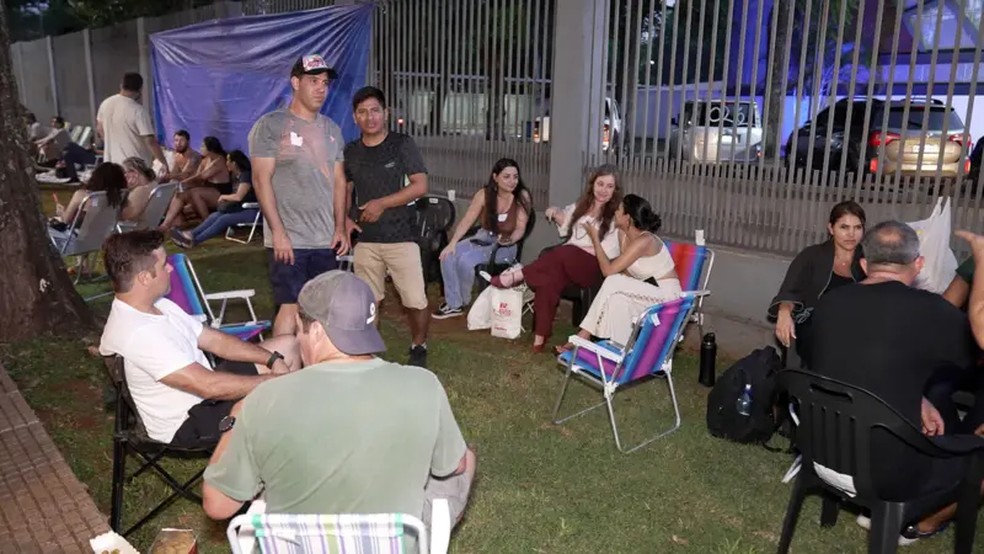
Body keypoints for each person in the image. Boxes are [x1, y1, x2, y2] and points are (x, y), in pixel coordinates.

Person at [202, 270, 476, 535]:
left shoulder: (264, 400)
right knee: (465, 458)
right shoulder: (423, 385)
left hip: (298, 543)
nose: (298, 339)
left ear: (317, 331)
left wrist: (235, 417)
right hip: (393, 543)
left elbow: (217, 506)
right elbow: (454, 467)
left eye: (300, 331)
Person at [809, 221, 980, 543]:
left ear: (863, 265)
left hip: (821, 453)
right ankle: (913, 519)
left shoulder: (829, 304)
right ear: (918, 265)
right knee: (976, 450)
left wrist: (918, 399)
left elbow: (848, 365)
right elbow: (972, 357)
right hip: (886, 476)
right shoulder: (934, 313)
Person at [98, 230, 300, 448]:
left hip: (205, 394)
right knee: (290, 398)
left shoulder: (158, 306)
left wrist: (272, 360)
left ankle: (292, 428)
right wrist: (274, 383)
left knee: (287, 345)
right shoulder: (137, 333)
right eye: (164, 264)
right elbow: (207, 386)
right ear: (145, 278)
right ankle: (295, 447)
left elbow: (215, 341)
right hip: (189, 420)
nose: (170, 268)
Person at [250, 54, 349, 336]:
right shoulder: (271, 125)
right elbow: (260, 179)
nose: (321, 88)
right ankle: (280, 372)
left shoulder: (332, 130)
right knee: (290, 306)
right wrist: (278, 232)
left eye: (325, 83)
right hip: (289, 239)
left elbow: (339, 181)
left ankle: (313, 372)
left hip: (325, 239)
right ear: (295, 82)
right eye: (313, 81)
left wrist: (340, 227)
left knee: (320, 310)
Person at [487, 164, 622, 352]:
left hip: (593, 267)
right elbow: (567, 225)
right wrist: (557, 213)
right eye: (600, 184)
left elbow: (610, 253)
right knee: (548, 281)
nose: (603, 190)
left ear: (615, 190)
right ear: (592, 184)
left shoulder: (616, 216)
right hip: (567, 261)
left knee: (564, 252)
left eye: (609, 186)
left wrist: (591, 241)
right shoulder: (581, 206)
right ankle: (539, 339)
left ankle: (517, 275)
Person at [344, 86, 431, 366]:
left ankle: (419, 345)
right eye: (362, 112)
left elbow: (420, 186)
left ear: (386, 113)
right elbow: (346, 188)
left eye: (375, 111)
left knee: (415, 301)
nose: (370, 117)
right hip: (366, 239)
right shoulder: (351, 151)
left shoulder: (402, 144)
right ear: (355, 117)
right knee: (370, 302)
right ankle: (369, 352)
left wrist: (381, 203)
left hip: (401, 236)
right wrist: (345, 218)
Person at [555, 194, 680, 353]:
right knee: (617, 300)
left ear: (627, 217)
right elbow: (626, 272)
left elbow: (608, 271)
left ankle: (583, 335)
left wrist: (595, 240)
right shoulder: (623, 235)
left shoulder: (645, 240)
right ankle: (620, 351)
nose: (615, 211)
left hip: (667, 297)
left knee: (613, 280)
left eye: (619, 209)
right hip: (646, 292)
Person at [768, 200, 866, 367]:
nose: (851, 234)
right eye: (844, 227)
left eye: (857, 228)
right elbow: (790, 290)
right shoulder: (812, 256)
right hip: (815, 327)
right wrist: (784, 312)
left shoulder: (869, 260)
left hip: (855, 329)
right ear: (831, 228)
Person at [433, 158, 532, 319]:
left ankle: (462, 301)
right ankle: (453, 303)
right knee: (447, 255)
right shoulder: (484, 194)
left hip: (505, 245)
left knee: (466, 260)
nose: (512, 181)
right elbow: (467, 220)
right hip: (484, 236)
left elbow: (521, 228)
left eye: (515, 176)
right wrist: (452, 243)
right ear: (495, 177)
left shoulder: (522, 196)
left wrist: (510, 240)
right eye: (506, 176)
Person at [171, 150, 259, 247]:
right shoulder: (236, 176)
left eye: (228, 161)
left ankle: (194, 241)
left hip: (252, 210)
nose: (227, 163)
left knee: (224, 219)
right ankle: (191, 234)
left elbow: (239, 197)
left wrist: (223, 197)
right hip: (239, 209)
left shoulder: (246, 176)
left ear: (234, 163)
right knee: (215, 215)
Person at [96, 72, 169, 177]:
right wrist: (164, 163)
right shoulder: (138, 111)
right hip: (135, 168)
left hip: (110, 164)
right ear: (140, 89)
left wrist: (111, 142)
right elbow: (150, 141)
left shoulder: (106, 104)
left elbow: (100, 128)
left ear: (121, 85)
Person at [160, 136, 231, 229]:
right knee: (180, 194)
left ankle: (207, 223)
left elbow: (202, 176)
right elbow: (196, 177)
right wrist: (183, 185)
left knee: (195, 193)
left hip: (221, 192)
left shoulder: (219, 160)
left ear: (210, 148)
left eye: (203, 146)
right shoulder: (204, 160)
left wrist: (184, 182)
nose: (200, 148)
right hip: (207, 190)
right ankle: (165, 224)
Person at [49, 162, 127, 246]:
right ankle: (83, 259)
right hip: (101, 240)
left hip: (76, 242)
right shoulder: (117, 198)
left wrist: (61, 212)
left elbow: (65, 220)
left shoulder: (82, 195)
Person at [119, 156, 158, 222]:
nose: (123, 177)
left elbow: (126, 215)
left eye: (125, 173)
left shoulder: (140, 191)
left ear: (134, 173)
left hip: (136, 227)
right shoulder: (154, 184)